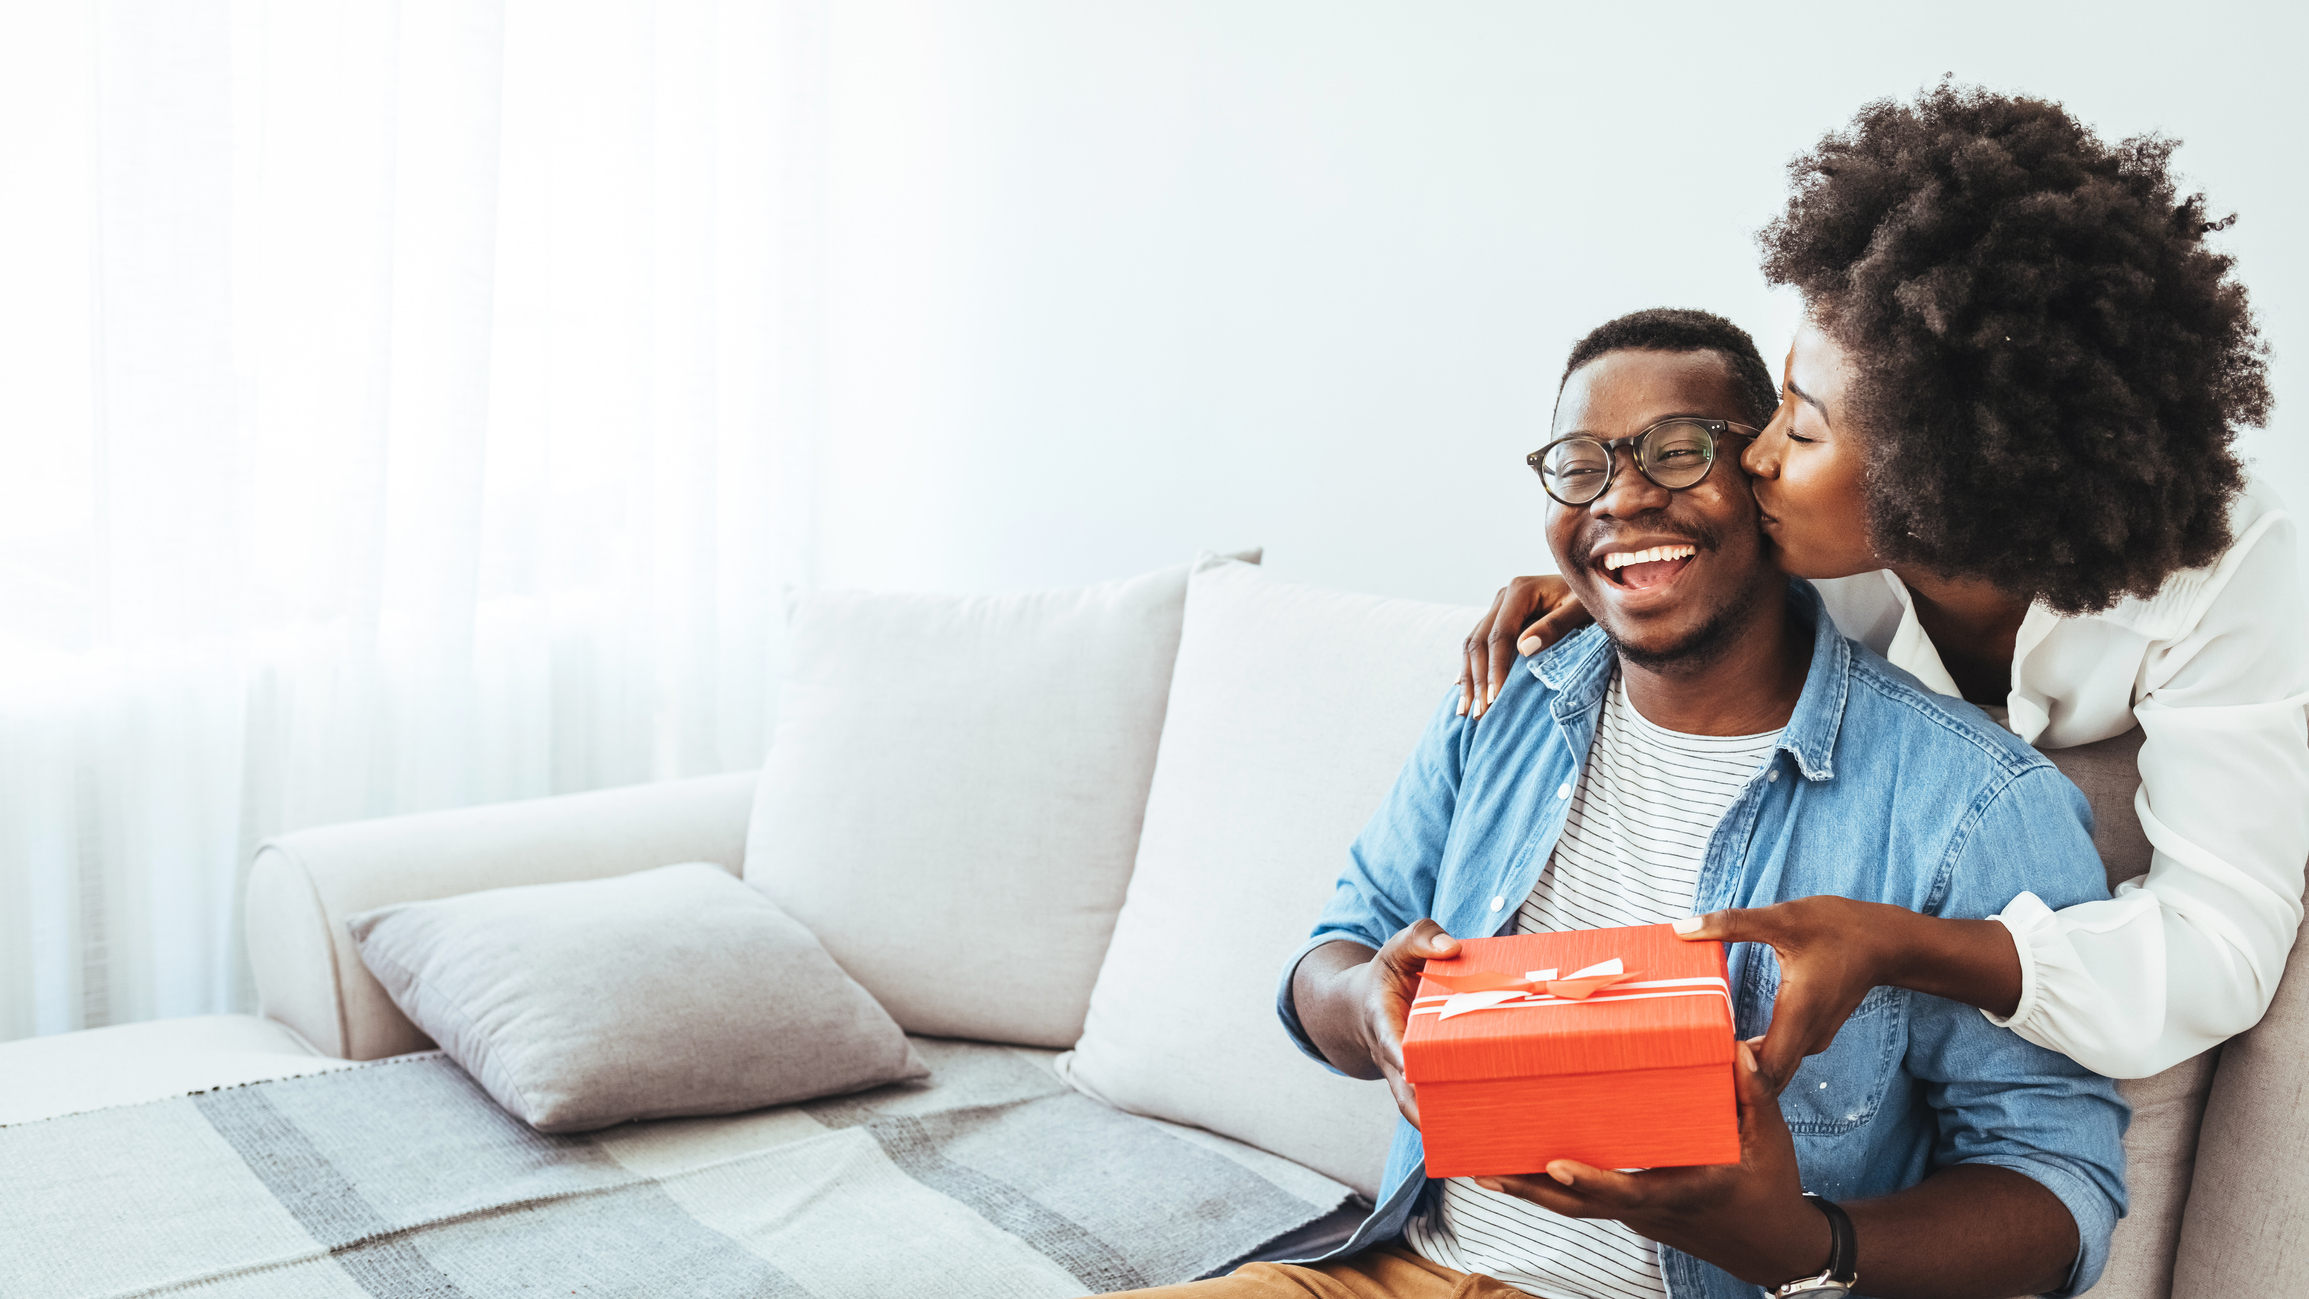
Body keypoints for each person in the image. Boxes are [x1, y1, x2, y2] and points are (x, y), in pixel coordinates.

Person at [1113, 308, 2126, 1299]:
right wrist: (1364, 1007)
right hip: (1406, 1269)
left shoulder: (1972, 802)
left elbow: (2057, 1189)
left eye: (1677, 451)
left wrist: (1801, 1244)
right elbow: (1334, 948)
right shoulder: (1508, 693)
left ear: (1765, 471)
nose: (1621, 498)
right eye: (1579, 463)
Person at [1455, 85, 2309, 1086]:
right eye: (1779, 404)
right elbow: (1657, 538)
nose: (1755, 460)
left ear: (1943, 478)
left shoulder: (2228, 573)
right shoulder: (1797, 540)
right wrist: (1606, 588)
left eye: (1800, 430)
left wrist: (1899, 944)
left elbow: (2217, 950)